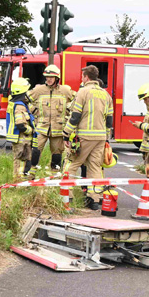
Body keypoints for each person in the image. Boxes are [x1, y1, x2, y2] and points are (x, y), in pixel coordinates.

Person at [62, 65, 113, 211]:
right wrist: (106, 137)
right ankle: (94, 200)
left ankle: (67, 197)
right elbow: (109, 120)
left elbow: (75, 116)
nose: (81, 79)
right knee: (95, 168)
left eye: (82, 76)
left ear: (86, 77)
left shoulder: (82, 92)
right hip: (100, 137)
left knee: (72, 165)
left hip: (84, 136)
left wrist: (66, 133)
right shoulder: (105, 94)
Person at [28, 65, 73, 172]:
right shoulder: (39, 90)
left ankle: (54, 179)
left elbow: (77, 102)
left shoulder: (65, 91)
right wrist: (34, 111)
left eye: (51, 77)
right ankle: (29, 177)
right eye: (47, 76)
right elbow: (24, 100)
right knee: (34, 153)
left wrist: (68, 112)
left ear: (57, 78)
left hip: (58, 130)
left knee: (57, 157)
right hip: (41, 128)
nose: (48, 79)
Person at [5, 78, 35, 179]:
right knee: (21, 163)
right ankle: (19, 183)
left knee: (19, 162)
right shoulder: (19, 107)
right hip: (21, 139)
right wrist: (31, 131)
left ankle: (19, 181)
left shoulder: (14, 103)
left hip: (18, 139)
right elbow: (20, 125)